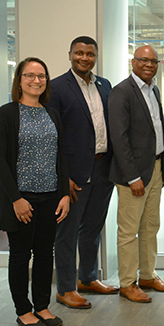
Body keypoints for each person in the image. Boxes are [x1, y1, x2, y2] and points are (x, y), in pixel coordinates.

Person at [0, 57, 70, 326]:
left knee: (46, 253)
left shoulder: (52, 114)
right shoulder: (7, 113)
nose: (37, 81)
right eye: (30, 76)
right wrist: (16, 199)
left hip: (50, 196)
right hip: (21, 197)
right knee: (21, 255)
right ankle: (23, 310)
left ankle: (42, 306)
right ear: (19, 80)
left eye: (42, 76)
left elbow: (61, 158)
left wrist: (64, 195)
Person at [48, 36, 118, 310]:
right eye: (79, 53)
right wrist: (61, 175)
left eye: (90, 54)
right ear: (70, 55)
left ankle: (87, 279)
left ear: (95, 56)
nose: (85, 58)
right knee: (66, 233)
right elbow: (52, 135)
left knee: (92, 228)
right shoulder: (56, 88)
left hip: (103, 168)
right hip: (73, 173)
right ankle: (65, 288)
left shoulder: (104, 85)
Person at [109, 45, 164, 303]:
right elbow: (119, 137)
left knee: (150, 226)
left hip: (156, 167)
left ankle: (147, 275)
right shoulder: (122, 92)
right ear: (133, 62)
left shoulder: (154, 89)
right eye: (143, 60)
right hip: (134, 174)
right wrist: (132, 176)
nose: (148, 64)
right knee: (129, 230)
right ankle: (128, 282)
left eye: (153, 61)